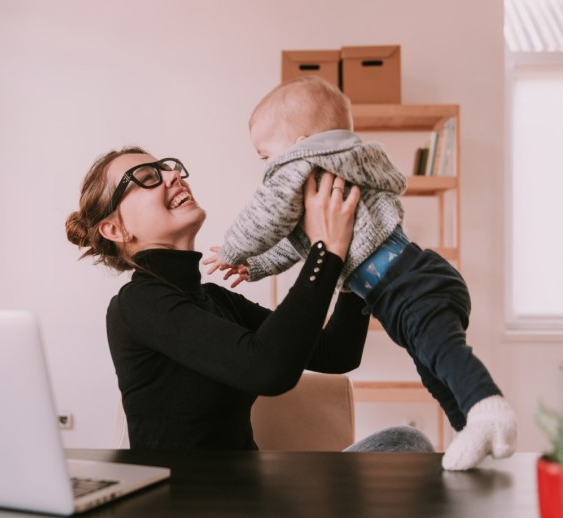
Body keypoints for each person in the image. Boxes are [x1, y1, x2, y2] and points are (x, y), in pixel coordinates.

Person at [207, 76, 516, 470]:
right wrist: (254, 267)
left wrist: (234, 248)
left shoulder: (299, 165)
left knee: (444, 353)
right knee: (434, 370)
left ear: (300, 142)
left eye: (265, 155)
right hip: (407, 282)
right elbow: (297, 244)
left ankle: (489, 408)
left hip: (407, 282)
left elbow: (265, 217)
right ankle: (471, 431)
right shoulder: (338, 169)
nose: (268, 166)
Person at [66, 145, 434, 454]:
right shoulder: (136, 304)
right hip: (185, 506)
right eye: (147, 177)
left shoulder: (215, 300)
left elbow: (337, 353)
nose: (172, 176)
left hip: (253, 493)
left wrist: (357, 261)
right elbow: (267, 370)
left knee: (406, 442)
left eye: (168, 168)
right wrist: (326, 252)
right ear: (115, 229)